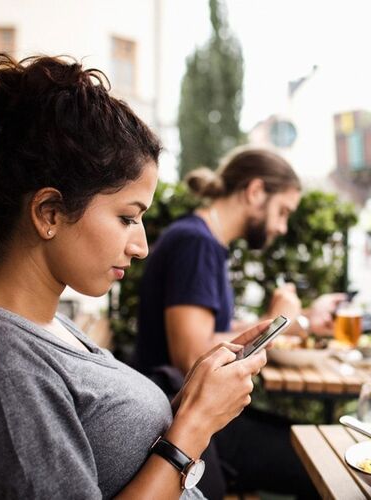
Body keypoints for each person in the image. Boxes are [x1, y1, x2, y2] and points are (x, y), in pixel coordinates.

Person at [0, 53, 270, 499]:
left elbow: (110, 452)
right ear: (49, 212)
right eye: (128, 218)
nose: (141, 245)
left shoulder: (48, 327)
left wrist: (190, 400)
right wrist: (194, 426)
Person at [134, 147, 342, 498]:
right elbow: (191, 357)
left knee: (316, 444)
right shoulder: (195, 243)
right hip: (181, 421)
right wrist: (279, 321)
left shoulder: (206, 242)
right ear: (256, 191)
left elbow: (213, 331)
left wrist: (298, 321)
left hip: (194, 414)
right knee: (323, 461)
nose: (282, 226)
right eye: (283, 211)